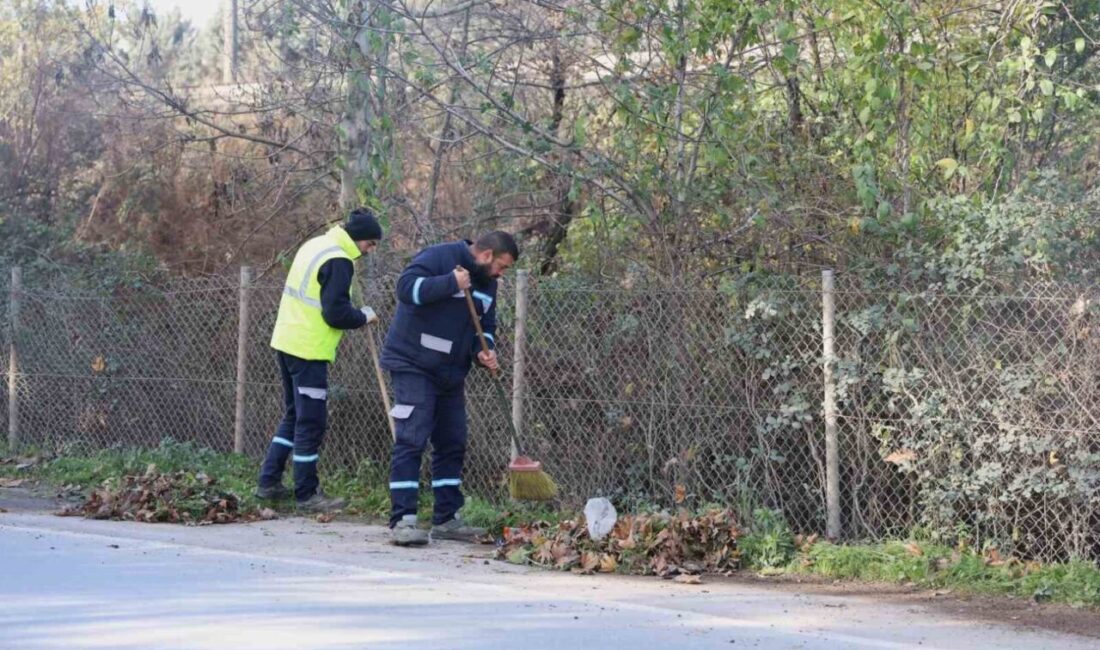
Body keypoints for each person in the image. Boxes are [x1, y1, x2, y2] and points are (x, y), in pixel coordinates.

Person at [380, 231, 519, 545]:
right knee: (412, 438)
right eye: (502, 266)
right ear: (486, 255)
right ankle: (403, 519)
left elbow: (485, 328)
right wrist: (449, 284)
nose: (501, 273)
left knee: (453, 440)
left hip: (451, 372)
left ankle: (447, 518)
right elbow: (406, 290)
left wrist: (484, 351)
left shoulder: (488, 284)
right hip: (412, 362)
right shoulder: (439, 257)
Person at [255, 208, 383, 513]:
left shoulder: (315, 244)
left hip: (286, 341)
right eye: (371, 243)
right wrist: (363, 316)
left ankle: (269, 482)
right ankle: (307, 494)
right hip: (308, 348)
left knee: (293, 415)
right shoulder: (338, 260)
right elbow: (336, 313)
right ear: (360, 238)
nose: (371, 249)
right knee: (311, 421)